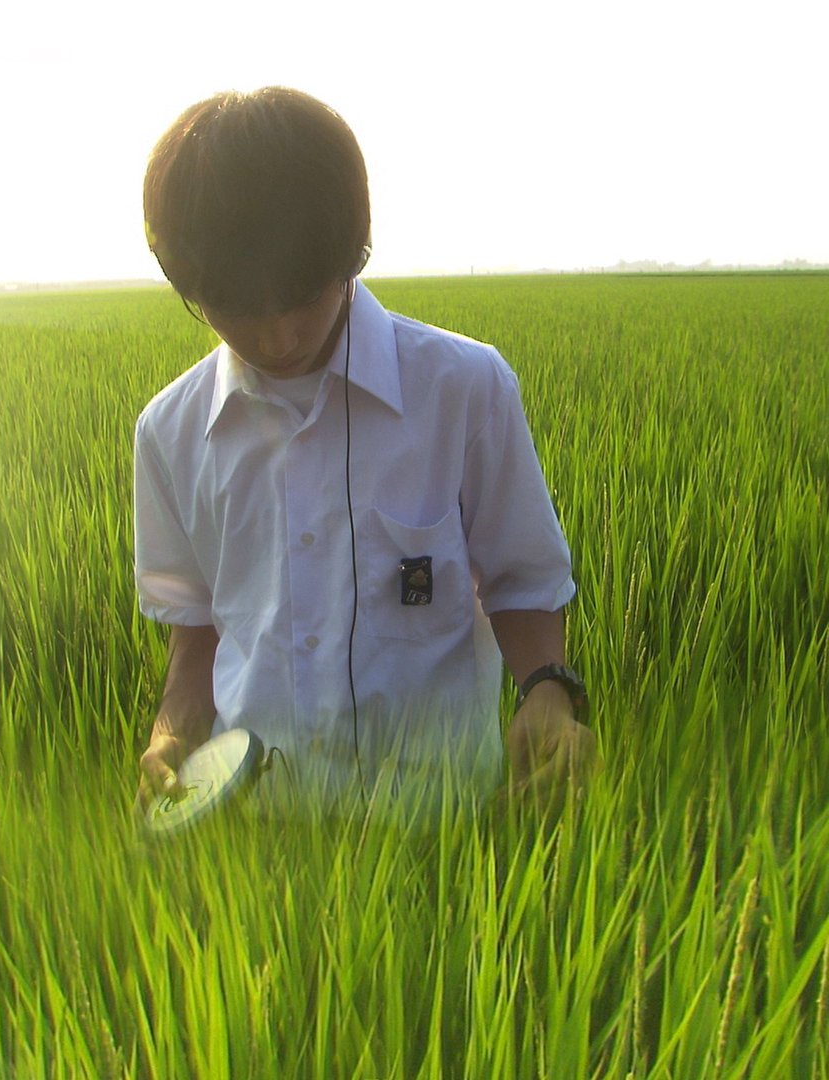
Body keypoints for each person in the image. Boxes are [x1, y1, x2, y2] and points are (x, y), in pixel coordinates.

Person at [130, 87, 598, 824]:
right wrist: (168, 739)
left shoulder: (463, 389)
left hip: (443, 826)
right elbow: (197, 633)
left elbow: (523, 581)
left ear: (354, 252)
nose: (279, 336)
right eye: (241, 309)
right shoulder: (171, 432)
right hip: (260, 829)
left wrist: (548, 690)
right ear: (188, 285)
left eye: (303, 297)